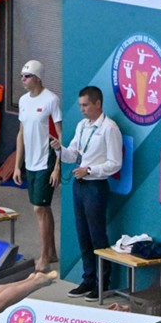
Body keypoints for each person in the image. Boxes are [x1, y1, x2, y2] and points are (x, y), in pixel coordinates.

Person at [59, 85, 123, 299]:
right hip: (79, 185)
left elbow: (115, 163)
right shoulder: (81, 126)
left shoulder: (109, 128)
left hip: (96, 186)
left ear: (98, 104)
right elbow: (72, 155)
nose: (82, 109)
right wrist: (59, 149)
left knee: (97, 235)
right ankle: (88, 278)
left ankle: (102, 282)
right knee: (83, 234)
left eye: (85, 105)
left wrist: (90, 170)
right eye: (80, 105)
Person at [14, 60, 62, 275]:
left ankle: (44, 259)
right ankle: (51, 252)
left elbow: (60, 135)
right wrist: (17, 166)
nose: (23, 80)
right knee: (43, 207)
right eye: (22, 76)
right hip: (30, 162)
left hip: (46, 160)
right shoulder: (23, 101)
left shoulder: (51, 100)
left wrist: (57, 167)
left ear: (38, 78)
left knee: (39, 208)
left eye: (27, 76)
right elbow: (21, 133)